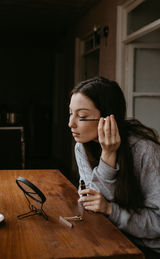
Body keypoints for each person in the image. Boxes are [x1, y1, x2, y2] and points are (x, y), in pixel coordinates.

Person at [68, 77, 160, 259]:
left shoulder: (146, 151)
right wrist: (108, 156)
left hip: (148, 248)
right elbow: (91, 202)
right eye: (70, 113)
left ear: (107, 119)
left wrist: (111, 210)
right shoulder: (81, 146)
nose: (71, 123)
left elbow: (158, 224)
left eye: (82, 116)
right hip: (112, 235)